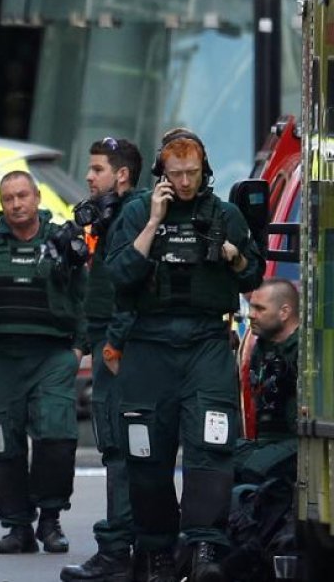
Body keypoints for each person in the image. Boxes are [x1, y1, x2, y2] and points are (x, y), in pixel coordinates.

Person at [106, 128, 264, 582]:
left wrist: (233, 256)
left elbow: (253, 275)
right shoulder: (138, 211)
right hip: (148, 346)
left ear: (204, 170)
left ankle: (204, 547)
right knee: (146, 453)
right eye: (176, 174)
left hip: (206, 344)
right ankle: (155, 550)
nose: (185, 182)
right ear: (162, 173)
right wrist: (154, 222)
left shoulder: (225, 214)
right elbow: (119, 274)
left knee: (211, 447)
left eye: (192, 173)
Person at [0, 170, 87, 556]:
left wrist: (78, 350)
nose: (16, 204)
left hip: (51, 357)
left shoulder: (62, 243)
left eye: (22, 195)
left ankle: (50, 520)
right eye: (8, 198)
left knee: (56, 437)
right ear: (1, 203)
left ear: (37, 197)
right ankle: (17, 526)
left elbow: (86, 298)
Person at [61, 138, 145, 582]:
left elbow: (130, 287)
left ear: (122, 174)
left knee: (118, 446)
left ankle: (117, 554)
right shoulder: (110, 217)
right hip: (108, 341)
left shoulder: (130, 216)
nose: (89, 177)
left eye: (97, 169)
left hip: (119, 348)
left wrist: (113, 343)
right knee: (122, 447)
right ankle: (136, 551)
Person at [235, 278, 299, 486]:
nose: (250, 314)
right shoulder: (260, 348)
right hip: (263, 440)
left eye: (260, 309)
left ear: (284, 312)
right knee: (213, 462)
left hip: (299, 442)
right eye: (251, 307)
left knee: (255, 470)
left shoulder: (305, 350)